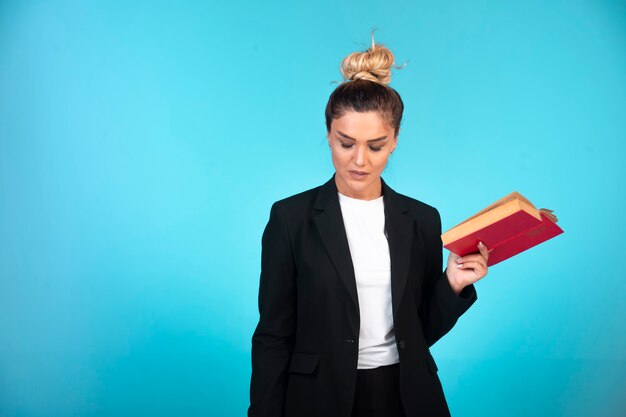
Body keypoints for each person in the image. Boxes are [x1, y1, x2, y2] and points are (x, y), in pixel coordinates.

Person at [248, 33, 490, 417]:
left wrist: (453, 285)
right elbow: (273, 335)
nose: (359, 160)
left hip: (407, 396)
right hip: (318, 399)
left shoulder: (423, 219)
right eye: (346, 143)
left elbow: (420, 331)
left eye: (375, 146)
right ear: (328, 135)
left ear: (394, 140)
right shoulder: (290, 218)